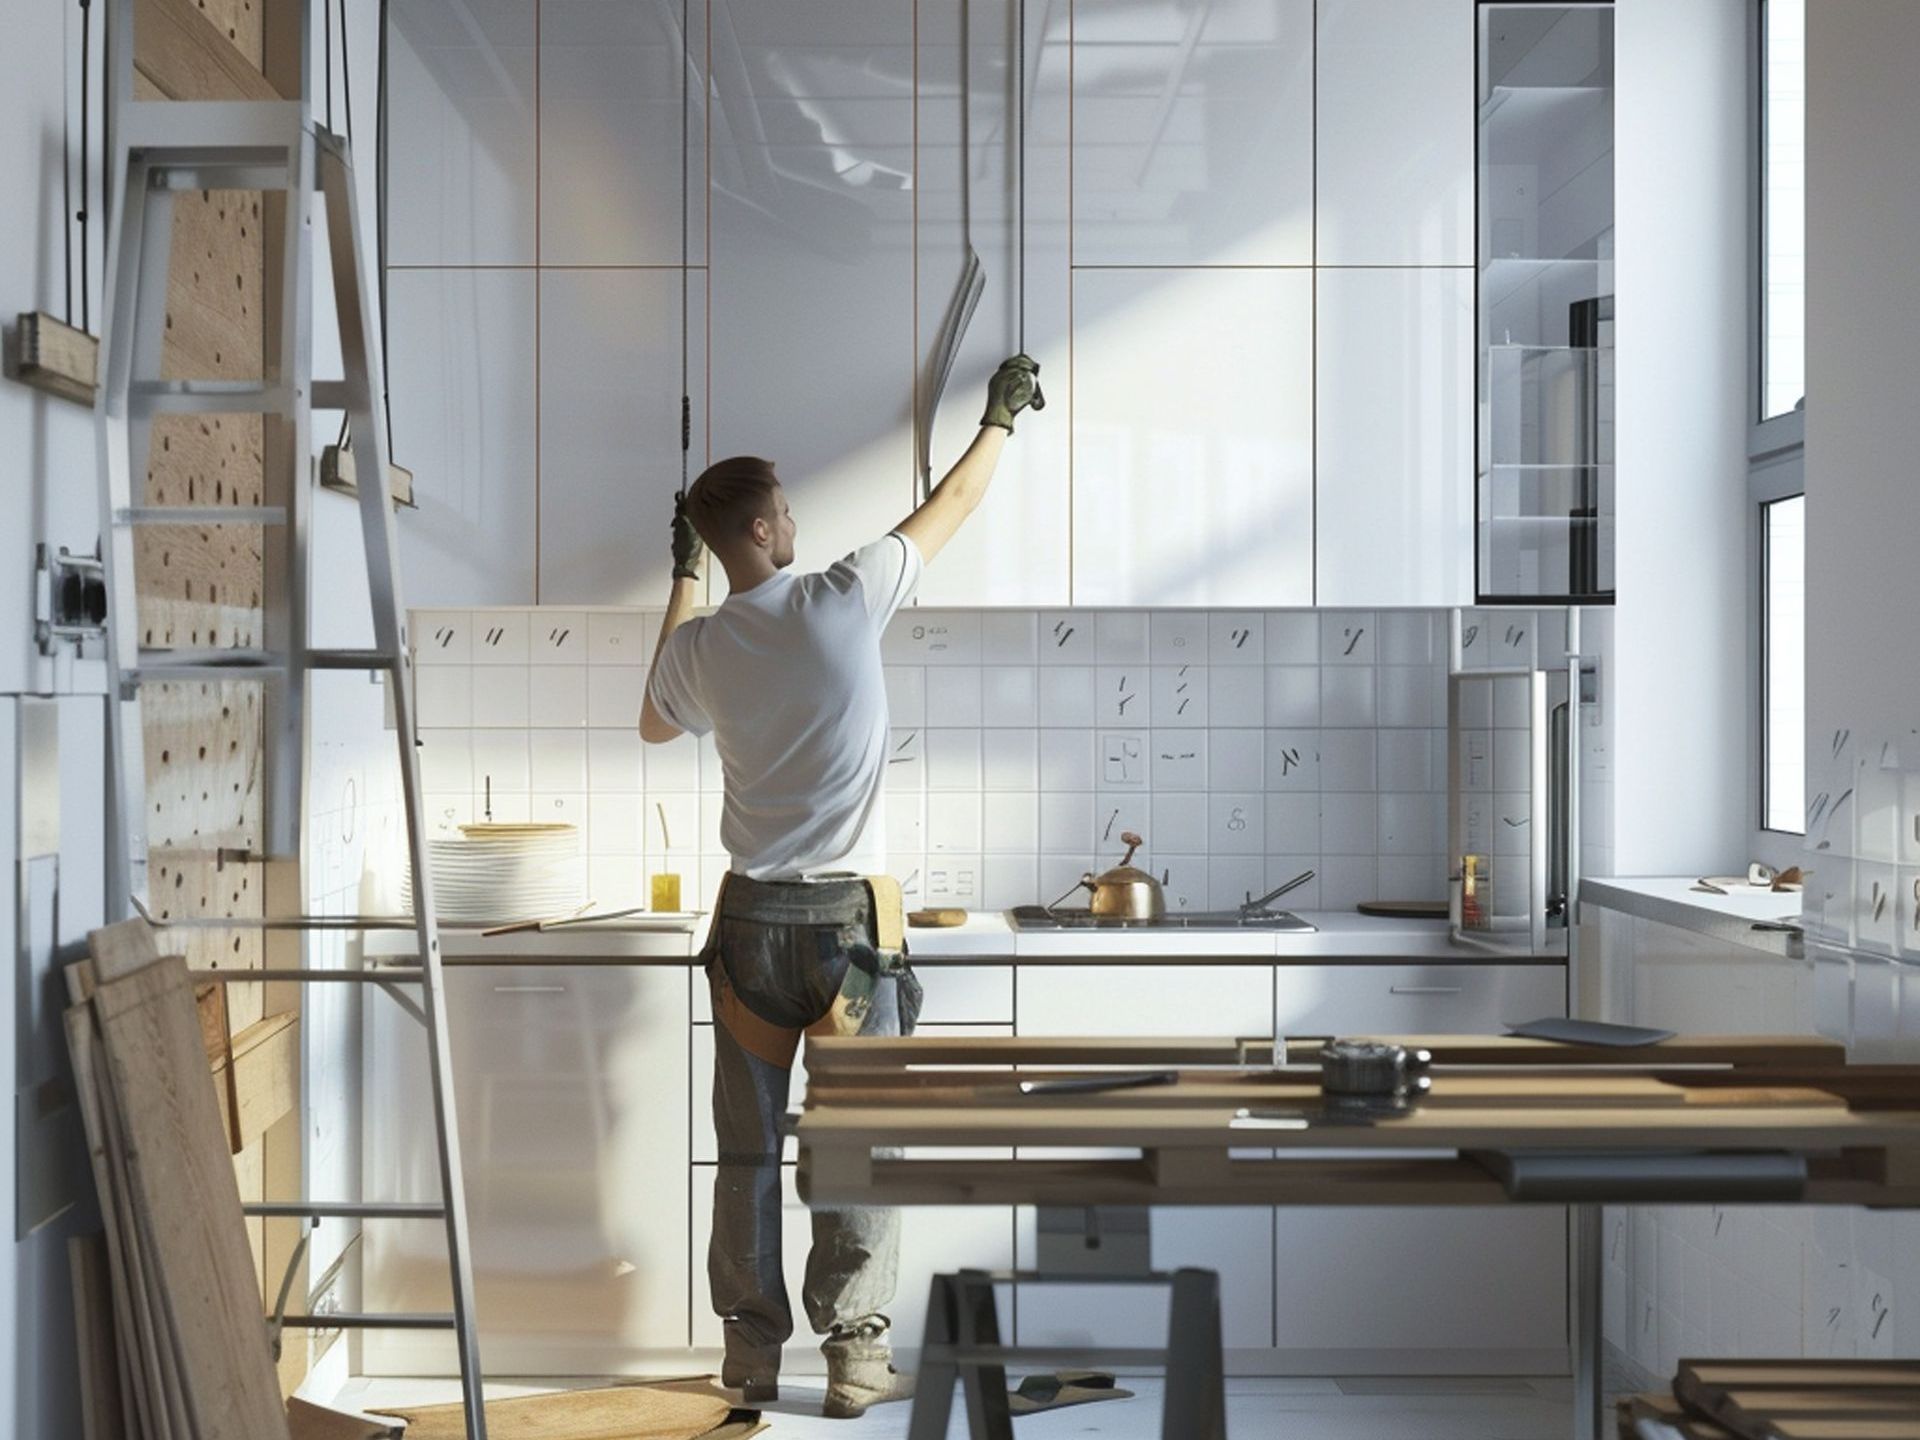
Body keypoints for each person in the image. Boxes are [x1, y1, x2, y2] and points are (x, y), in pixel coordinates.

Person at [639, 355, 1042, 1418]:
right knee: (858, 1141)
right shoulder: (846, 596)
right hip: (849, 938)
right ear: (765, 531)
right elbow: (948, 504)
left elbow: (650, 717)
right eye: (784, 509)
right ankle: (857, 1362)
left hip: (748, 935)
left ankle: (751, 1362)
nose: (793, 519)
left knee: (745, 1157)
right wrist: (999, 420)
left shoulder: (705, 643)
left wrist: (681, 574)